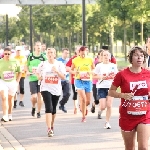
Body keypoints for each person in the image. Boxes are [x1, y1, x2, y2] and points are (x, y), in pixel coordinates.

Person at [108, 46, 150, 149]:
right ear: (130, 58)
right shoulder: (122, 74)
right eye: (136, 55)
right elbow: (111, 91)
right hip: (127, 115)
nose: (139, 58)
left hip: (144, 114)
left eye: (142, 56)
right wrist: (122, 95)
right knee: (129, 148)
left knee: (144, 147)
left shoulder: (148, 74)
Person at [36, 48, 66, 137]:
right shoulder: (42, 64)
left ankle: (52, 125)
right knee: (48, 107)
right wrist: (39, 77)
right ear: (46, 54)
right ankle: (49, 129)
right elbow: (37, 73)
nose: (50, 54)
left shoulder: (59, 64)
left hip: (56, 89)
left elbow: (63, 77)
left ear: (54, 54)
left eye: (51, 53)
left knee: (53, 109)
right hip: (45, 88)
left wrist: (56, 71)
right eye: (48, 53)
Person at [93, 50, 118, 129]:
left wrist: (114, 77)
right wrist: (101, 77)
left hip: (111, 87)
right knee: (103, 106)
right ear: (101, 57)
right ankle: (100, 111)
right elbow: (93, 76)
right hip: (101, 87)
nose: (106, 57)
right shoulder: (99, 66)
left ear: (110, 57)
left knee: (109, 105)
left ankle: (107, 122)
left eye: (107, 55)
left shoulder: (113, 66)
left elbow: (117, 76)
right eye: (104, 55)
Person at [71, 46, 95, 122]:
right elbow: (71, 70)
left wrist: (91, 72)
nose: (83, 55)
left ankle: (82, 106)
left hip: (88, 81)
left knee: (88, 101)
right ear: (79, 53)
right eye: (82, 54)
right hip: (79, 80)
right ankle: (83, 116)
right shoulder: (75, 60)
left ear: (86, 52)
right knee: (83, 98)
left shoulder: (90, 59)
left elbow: (94, 68)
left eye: (84, 54)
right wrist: (75, 72)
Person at [0, 47, 21, 121]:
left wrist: (17, 81)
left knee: (10, 98)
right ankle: (5, 115)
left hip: (12, 82)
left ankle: (9, 114)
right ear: (3, 54)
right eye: (5, 54)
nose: (7, 55)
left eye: (8, 54)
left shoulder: (15, 61)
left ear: (11, 54)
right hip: (3, 81)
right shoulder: (0, 61)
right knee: (4, 97)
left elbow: (20, 71)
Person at [27, 41, 46, 118]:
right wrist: (28, 71)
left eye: (39, 46)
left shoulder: (43, 56)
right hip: (32, 78)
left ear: (41, 47)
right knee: (34, 97)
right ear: (34, 47)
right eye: (37, 46)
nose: (38, 47)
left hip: (41, 79)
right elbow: (26, 65)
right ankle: (33, 107)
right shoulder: (30, 56)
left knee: (40, 96)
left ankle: (38, 112)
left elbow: (47, 65)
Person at [66, 46, 81, 114]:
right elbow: (67, 66)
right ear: (76, 51)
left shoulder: (85, 58)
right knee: (75, 94)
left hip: (84, 79)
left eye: (80, 50)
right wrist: (72, 71)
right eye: (78, 50)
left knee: (81, 93)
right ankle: (75, 106)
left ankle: (81, 105)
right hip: (74, 79)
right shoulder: (73, 58)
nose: (79, 52)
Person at [57, 48, 71, 113]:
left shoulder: (69, 61)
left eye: (68, 53)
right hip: (59, 80)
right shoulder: (58, 60)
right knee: (56, 94)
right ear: (62, 53)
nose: (66, 54)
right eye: (65, 53)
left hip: (66, 80)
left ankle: (62, 104)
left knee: (68, 94)